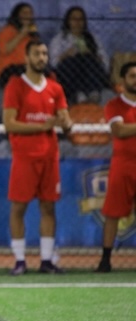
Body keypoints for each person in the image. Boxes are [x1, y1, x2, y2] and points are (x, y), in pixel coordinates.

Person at [2, 40, 73, 275]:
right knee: (18, 207)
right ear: (26, 57)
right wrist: (42, 126)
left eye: (44, 53)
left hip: (49, 156)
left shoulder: (55, 88)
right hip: (25, 156)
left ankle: (46, 260)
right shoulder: (15, 86)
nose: (41, 58)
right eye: (36, 53)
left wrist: (66, 123)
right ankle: (19, 260)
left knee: (48, 207)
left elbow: (65, 121)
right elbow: (9, 124)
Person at [95, 61, 136, 273]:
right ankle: (105, 260)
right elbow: (119, 130)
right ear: (123, 80)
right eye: (132, 76)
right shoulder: (114, 105)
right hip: (123, 165)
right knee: (113, 212)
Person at [49, 6, 109, 105]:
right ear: (68, 21)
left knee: (86, 59)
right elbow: (53, 63)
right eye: (74, 19)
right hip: (70, 70)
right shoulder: (60, 39)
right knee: (74, 61)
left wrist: (92, 55)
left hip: (89, 69)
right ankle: (78, 93)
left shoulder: (92, 38)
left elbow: (105, 63)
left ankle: (93, 92)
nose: (77, 22)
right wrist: (66, 54)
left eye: (80, 19)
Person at [0, 2, 41, 88]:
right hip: (9, 70)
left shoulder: (32, 35)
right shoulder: (7, 30)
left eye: (30, 13)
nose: (28, 16)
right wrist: (21, 34)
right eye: (24, 13)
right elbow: (5, 50)